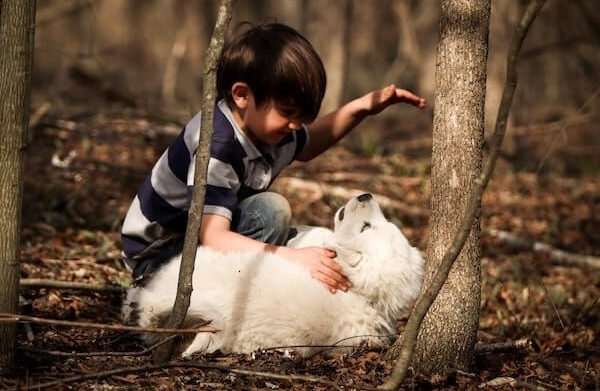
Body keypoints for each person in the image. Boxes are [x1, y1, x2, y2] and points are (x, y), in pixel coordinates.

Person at [121, 22, 425, 294]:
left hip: (198, 239)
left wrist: (361, 108)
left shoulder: (263, 128)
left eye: (302, 116)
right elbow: (214, 237)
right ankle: (201, 299)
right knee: (273, 213)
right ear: (241, 94)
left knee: (292, 228)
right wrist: (292, 258)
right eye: (289, 113)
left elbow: (310, 143)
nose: (295, 125)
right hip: (161, 258)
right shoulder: (218, 146)